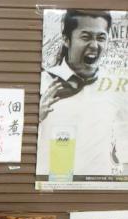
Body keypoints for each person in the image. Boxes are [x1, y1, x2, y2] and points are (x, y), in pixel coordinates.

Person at [37, 9, 128, 179]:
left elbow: (125, 133)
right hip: (52, 186)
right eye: (85, 37)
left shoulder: (116, 85)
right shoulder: (43, 82)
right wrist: (37, 117)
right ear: (66, 39)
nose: (94, 45)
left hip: (97, 187)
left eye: (101, 38)